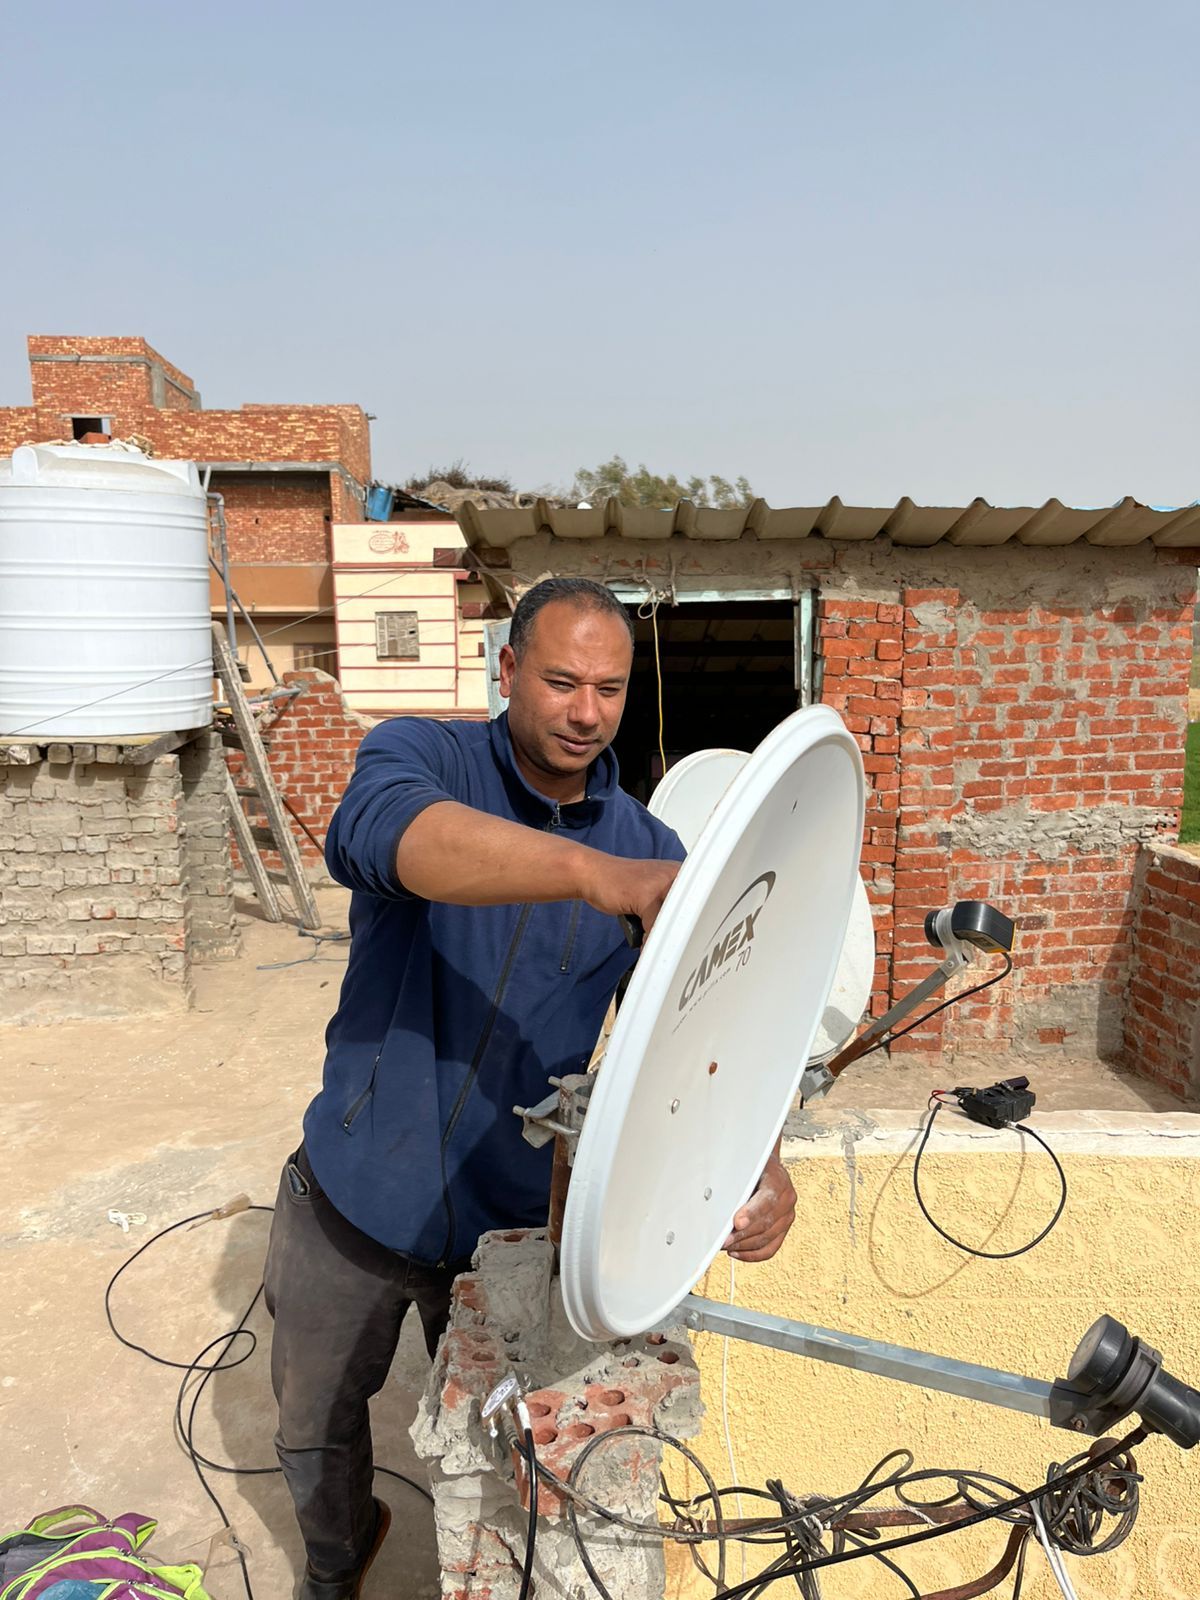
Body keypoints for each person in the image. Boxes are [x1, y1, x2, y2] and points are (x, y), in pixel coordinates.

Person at [264, 576, 798, 1599]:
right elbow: (385, 838)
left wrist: (758, 1163)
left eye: (609, 687)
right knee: (310, 1419)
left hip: (511, 1231)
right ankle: (338, 1562)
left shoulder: (652, 850)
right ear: (505, 668)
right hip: (355, 1196)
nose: (586, 710)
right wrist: (590, 875)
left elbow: (701, 1040)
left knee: (507, 1455)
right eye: (560, 680)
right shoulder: (420, 756)